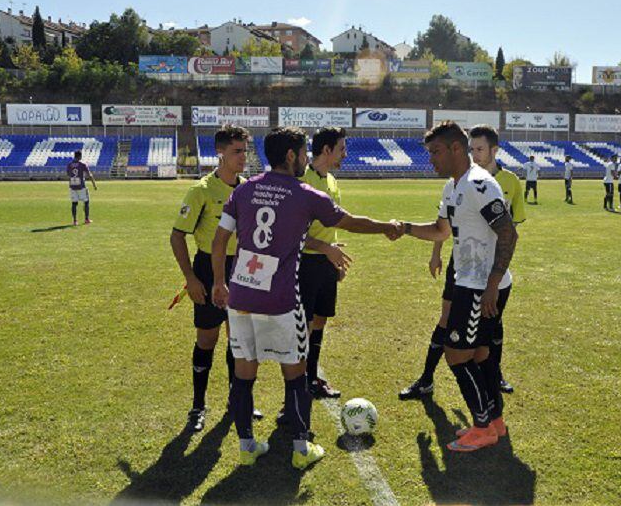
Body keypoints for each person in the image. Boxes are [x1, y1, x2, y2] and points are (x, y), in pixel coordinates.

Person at [211, 126, 402, 468]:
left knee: (243, 374)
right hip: (281, 300)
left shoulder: (243, 191)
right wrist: (386, 226)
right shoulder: (305, 194)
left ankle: (246, 447)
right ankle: (301, 450)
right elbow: (350, 221)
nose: (306, 159)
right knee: (296, 374)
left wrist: (218, 283)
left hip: (240, 295)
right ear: (291, 156)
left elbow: (220, 239)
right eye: (303, 153)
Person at [399, 121, 519, 452]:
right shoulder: (454, 187)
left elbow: (509, 233)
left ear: (455, 149)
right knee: (480, 355)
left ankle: (482, 428)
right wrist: (406, 228)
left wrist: (492, 285)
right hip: (471, 281)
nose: (431, 160)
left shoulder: (479, 185)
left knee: (456, 355)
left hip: (480, 285)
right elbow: (440, 231)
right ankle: (494, 422)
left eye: (435, 152)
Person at [170, 125, 263, 432]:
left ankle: (237, 401)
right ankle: (198, 405)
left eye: (245, 151)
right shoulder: (201, 191)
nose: (243, 157)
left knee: (238, 339)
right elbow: (177, 236)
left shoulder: (248, 187)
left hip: (242, 268)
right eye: (237, 151)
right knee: (207, 338)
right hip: (209, 268)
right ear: (220, 153)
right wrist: (192, 279)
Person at [298, 127, 350, 399]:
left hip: (326, 263)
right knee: (303, 324)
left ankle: (312, 377)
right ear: (327, 150)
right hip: (305, 263)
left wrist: (335, 257)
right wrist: (324, 248)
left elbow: (330, 223)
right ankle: (297, 387)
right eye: (341, 148)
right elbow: (292, 231)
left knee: (320, 320)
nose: (345, 153)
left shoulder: (330, 180)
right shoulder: (302, 179)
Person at [66, 150, 96, 225]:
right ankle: (86, 219)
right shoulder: (82, 164)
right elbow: (89, 175)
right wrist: (94, 184)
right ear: (80, 156)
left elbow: (68, 174)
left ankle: (75, 221)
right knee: (86, 202)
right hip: (81, 186)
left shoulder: (69, 164)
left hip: (72, 186)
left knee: (74, 203)